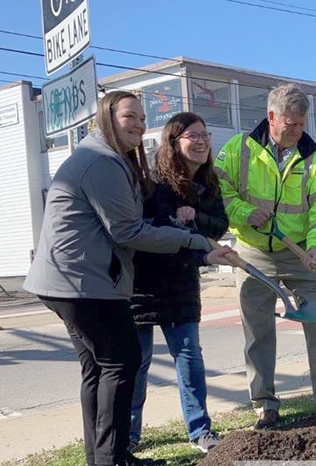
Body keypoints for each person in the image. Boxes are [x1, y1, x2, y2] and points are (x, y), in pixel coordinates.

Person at [23, 91, 234, 466]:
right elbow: (129, 231)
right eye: (129, 117)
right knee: (122, 362)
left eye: (141, 117)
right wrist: (194, 240)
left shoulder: (109, 158)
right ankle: (114, 457)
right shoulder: (101, 162)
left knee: (99, 367)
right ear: (107, 117)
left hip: (68, 279)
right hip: (80, 282)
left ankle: (106, 456)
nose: (138, 124)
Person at [214, 83, 316, 429]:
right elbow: (219, 193)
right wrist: (244, 213)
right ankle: (265, 404)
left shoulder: (313, 156)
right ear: (271, 117)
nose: (297, 131)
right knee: (258, 330)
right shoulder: (239, 149)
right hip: (253, 252)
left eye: (302, 123)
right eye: (291, 124)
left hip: (300, 252)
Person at [128, 113, 228, 454]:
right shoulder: (154, 181)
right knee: (137, 362)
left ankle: (200, 430)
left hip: (183, 282)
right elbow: (152, 232)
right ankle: (128, 436)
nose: (201, 141)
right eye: (193, 135)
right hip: (143, 282)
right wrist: (186, 234)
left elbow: (219, 225)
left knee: (189, 357)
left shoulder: (208, 182)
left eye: (205, 134)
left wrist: (194, 216)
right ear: (174, 140)